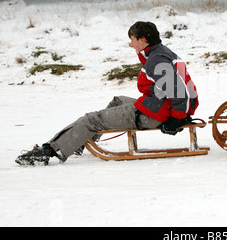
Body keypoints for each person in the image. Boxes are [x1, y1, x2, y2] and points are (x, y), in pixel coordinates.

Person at [16, 21, 199, 166]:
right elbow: (187, 87)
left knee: (91, 120)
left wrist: (176, 119)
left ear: (143, 40)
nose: (130, 44)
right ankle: (81, 141)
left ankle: (49, 151)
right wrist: (187, 111)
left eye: (133, 39)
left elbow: (178, 90)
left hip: (155, 114)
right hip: (160, 107)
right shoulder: (164, 53)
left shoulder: (157, 60)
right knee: (117, 101)